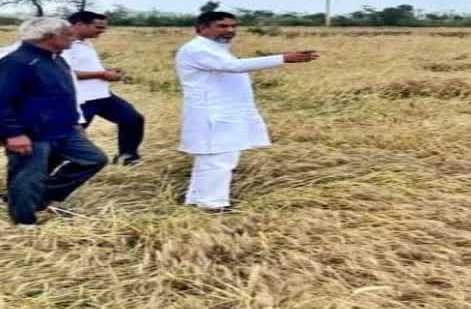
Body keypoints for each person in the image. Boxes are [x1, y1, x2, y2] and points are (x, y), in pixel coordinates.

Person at [176, 11, 318, 212]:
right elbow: (233, 67)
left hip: (222, 113)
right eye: (222, 26)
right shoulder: (197, 49)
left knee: (214, 160)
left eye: (233, 26)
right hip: (212, 114)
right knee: (219, 160)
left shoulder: (214, 48)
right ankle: (212, 206)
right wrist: (283, 58)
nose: (230, 30)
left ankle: (198, 201)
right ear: (201, 28)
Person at [0, 17, 108, 225]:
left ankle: (39, 198)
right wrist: (14, 134)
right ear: (50, 37)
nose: (72, 38)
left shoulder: (57, 59)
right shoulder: (15, 62)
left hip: (64, 130)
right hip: (31, 132)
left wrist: (76, 122)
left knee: (94, 159)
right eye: (67, 34)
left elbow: (68, 94)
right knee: (28, 177)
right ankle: (24, 223)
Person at [63, 11, 145, 166]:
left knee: (133, 119)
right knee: (71, 137)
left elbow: (84, 66)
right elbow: (65, 72)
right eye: (98, 27)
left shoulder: (86, 42)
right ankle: (49, 171)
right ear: (79, 24)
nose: (102, 31)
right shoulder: (64, 44)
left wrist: (107, 70)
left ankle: (127, 156)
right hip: (80, 99)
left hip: (102, 95)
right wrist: (102, 74)